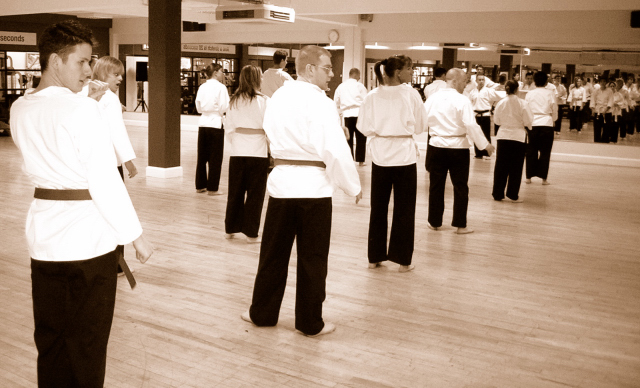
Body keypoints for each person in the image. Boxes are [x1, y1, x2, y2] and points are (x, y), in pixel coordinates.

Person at [9, 19, 153, 387]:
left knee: (52, 337)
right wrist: (135, 235)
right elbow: (104, 180)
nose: (89, 71)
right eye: (82, 62)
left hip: (44, 236)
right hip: (87, 240)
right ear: (55, 62)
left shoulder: (20, 108)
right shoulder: (81, 110)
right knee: (87, 341)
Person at [242, 45, 362, 337]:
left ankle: (262, 313)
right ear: (310, 69)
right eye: (327, 68)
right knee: (312, 258)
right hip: (313, 189)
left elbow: (270, 132)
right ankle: (309, 322)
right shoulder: (321, 103)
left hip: (282, 185)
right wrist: (352, 185)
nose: (332, 74)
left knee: (272, 254)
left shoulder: (279, 96)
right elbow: (334, 148)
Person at [357, 55, 427, 273]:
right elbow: (421, 126)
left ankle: (374, 257)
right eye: (410, 68)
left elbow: (363, 127)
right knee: (404, 209)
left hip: (380, 155)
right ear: (398, 72)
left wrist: (381, 131)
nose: (411, 73)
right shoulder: (411, 94)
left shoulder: (371, 96)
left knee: (378, 208)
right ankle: (403, 260)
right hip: (404, 156)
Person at [424, 68, 495, 234]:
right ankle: (460, 225)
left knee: (436, 186)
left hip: (436, 146)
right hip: (458, 148)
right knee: (460, 186)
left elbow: (422, 119)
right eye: (464, 81)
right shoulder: (462, 100)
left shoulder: (433, 98)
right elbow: (470, 125)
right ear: (454, 81)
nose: (466, 85)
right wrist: (485, 145)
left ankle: (434, 222)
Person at [89, 56, 139, 276]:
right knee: (116, 210)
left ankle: (101, 260)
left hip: (92, 164)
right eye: (115, 74)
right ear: (102, 74)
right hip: (109, 165)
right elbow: (116, 132)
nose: (120, 78)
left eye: (120, 74)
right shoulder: (108, 98)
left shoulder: (86, 95)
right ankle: (116, 264)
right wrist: (128, 162)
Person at [224, 65, 269, 244]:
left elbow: (229, 128)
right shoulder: (265, 101)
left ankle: (230, 229)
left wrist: (236, 142)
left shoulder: (233, 101)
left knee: (235, 192)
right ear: (257, 79)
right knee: (255, 194)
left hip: (237, 151)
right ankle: (251, 232)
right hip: (258, 152)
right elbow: (270, 127)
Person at [492, 80, 533, 202]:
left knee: (500, 166)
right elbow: (528, 121)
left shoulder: (500, 103)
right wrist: (527, 127)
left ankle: (497, 193)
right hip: (518, 137)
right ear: (517, 90)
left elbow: (497, 121)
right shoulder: (523, 103)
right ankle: (512, 194)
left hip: (503, 136)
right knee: (516, 167)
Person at [195, 63, 229, 195]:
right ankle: (213, 188)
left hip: (203, 123)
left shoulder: (202, 87)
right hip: (215, 123)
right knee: (215, 158)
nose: (223, 74)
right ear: (215, 72)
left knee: (202, 157)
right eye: (221, 71)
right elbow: (224, 106)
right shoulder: (221, 88)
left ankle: (200, 185)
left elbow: (198, 107)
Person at [524, 71, 558, 185]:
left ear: (534, 81)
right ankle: (544, 179)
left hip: (532, 124)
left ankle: (528, 177)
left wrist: (527, 123)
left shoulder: (530, 94)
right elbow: (555, 109)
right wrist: (553, 120)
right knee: (545, 152)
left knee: (531, 151)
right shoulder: (550, 93)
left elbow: (526, 109)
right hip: (546, 124)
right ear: (546, 81)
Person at [334, 67, 368, 165]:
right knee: (361, 137)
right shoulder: (360, 86)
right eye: (359, 75)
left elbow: (336, 100)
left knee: (348, 137)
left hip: (347, 114)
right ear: (356, 74)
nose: (360, 77)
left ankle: (349, 159)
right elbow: (366, 101)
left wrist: (339, 110)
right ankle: (360, 160)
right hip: (359, 113)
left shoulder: (341, 86)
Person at [469, 73, 503, 159]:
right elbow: (470, 103)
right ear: (476, 81)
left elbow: (500, 97)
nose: (481, 81)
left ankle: (487, 153)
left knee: (486, 134)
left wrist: (493, 106)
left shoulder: (489, 91)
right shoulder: (472, 92)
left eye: (482, 80)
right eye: (479, 80)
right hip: (476, 115)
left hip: (485, 115)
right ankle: (478, 154)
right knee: (477, 134)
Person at [592, 77, 613, 143]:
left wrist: (606, 109)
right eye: (601, 81)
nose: (603, 83)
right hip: (598, 110)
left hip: (607, 111)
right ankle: (597, 141)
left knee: (606, 128)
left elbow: (611, 101)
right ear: (599, 82)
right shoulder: (596, 91)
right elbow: (593, 100)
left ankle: (605, 141)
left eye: (604, 81)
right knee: (597, 128)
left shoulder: (609, 91)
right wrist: (593, 109)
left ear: (606, 83)